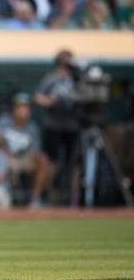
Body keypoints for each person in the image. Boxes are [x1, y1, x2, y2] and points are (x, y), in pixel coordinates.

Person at [34, 49, 80, 203]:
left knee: (74, 162)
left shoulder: (77, 79)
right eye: (63, 62)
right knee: (50, 161)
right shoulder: (52, 78)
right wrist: (50, 101)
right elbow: (38, 97)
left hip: (72, 125)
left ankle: (74, 199)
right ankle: (47, 196)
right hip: (54, 124)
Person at [0, 92, 50, 207]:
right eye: (20, 107)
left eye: (25, 107)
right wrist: (7, 155)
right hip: (7, 158)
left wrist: (23, 158)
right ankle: (5, 198)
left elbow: (35, 151)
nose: (23, 110)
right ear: (14, 109)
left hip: (25, 159)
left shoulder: (32, 127)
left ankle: (35, 199)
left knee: (43, 160)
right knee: (3, 160)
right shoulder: (3, 123)